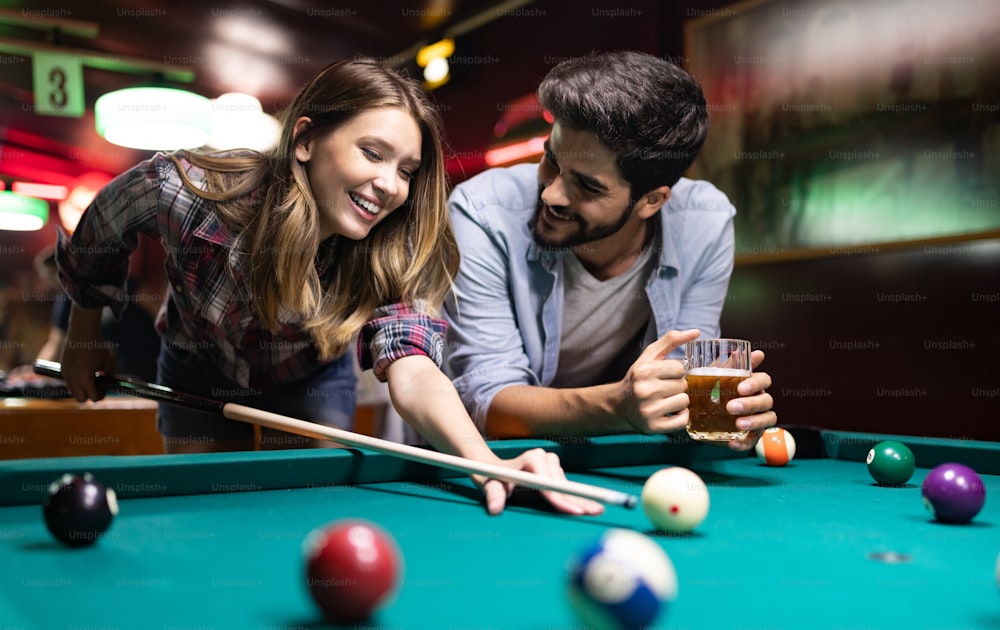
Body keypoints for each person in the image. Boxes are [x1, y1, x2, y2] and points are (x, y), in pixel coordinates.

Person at [56, 58, 600, 517]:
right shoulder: (187, 191)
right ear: (306, 140)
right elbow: (100, 233)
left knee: (305, 511)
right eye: (372, 153)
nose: (390, 186)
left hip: (309, 375)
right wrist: (84, 337)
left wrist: (487, 463)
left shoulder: (394, 247)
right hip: (198, 367)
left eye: (407, 170)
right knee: (206, 511)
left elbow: (413, 369)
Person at [444, 51, 776, 450]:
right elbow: (488, 402)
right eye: (551, 160)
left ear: (651, 201)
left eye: (586, 186)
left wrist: (723, 415)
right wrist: (617, 406)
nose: (551, 193)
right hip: (484, 456)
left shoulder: (705, 221)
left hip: (615, 454)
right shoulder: (481, 212)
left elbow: (687, 378)